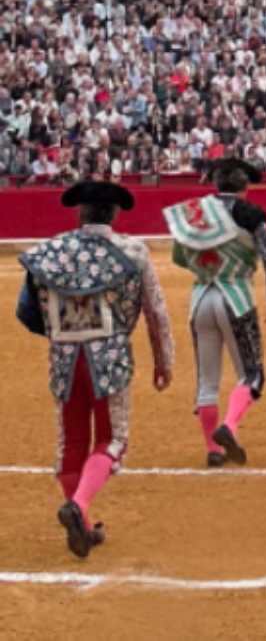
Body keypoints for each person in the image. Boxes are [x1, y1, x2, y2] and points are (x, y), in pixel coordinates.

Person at [15, 181, 174, 559]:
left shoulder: (50, 252)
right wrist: (163, 360)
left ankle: (81, 523)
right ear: (115, 214)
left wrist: (60, 335)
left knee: (71, 442)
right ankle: (80, 507)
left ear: (79, 212)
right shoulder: (132, 252)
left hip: (64, 358)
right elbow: (156, 313)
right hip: (110, 357)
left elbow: (26, 311)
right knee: (112, 439)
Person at [163, 159, 266, 467]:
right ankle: (228, 426)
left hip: (200, 298)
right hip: (236, 298)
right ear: (245, 188)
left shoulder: (196, 212)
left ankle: (212, 450)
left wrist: (207, 263)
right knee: (252, 373)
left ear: (216, 185)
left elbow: (179, 256)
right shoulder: (251, 214)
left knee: (207, 380)